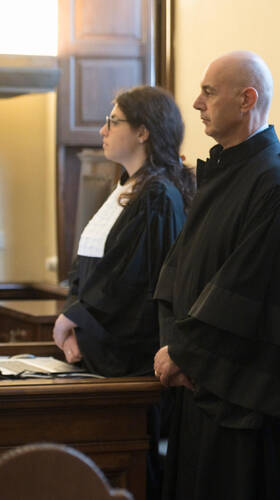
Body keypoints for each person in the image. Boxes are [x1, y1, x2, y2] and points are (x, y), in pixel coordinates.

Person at [151, 51, 280, 500]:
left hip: (245, 405)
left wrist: (187, 352)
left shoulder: (278, 182)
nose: (196, 103)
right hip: (202, 388)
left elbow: (253, 293)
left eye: (208, 92)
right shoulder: (223, 174)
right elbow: (178, 273)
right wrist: (177, 347)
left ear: (247, 99)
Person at [53, 85, 194, 377]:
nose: (103, 131)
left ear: (143, 132)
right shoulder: (126, 188)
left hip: (129, 357)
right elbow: (85, 268)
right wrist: (72, 321)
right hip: (92, 345)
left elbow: (134, 284)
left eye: (113, 122)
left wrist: (75, 320)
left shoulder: (158, 196)